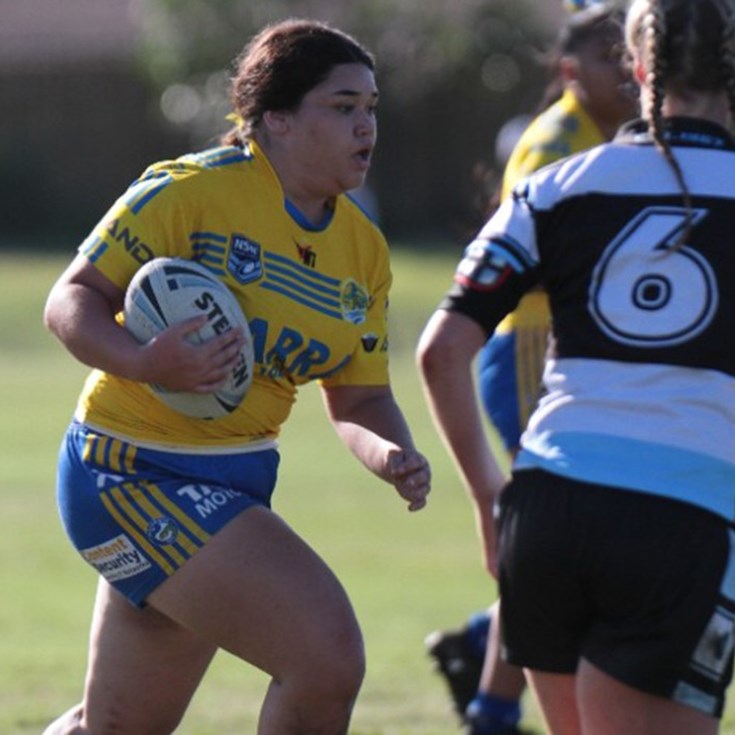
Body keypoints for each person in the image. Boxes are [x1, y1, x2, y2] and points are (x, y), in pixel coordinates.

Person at [42, 18, 431, 735]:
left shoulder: (363, 250)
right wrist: (142, 361)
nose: (366, 126)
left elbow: (360, 395)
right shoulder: (190, 192)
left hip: (237, 479)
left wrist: (390, 454)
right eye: (343, 106)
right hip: (130, 471)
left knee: (117, 726)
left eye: (371, 108)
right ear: (276, 118)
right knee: (326, 656)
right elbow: (69, 301)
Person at [418, 0, 735, 732]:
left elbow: (440, 349)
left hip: (545, 511)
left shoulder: (556, 184)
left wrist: (488, 498)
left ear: (638, 69)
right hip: (678, 519)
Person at [425, 4, 638, 734]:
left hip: (575, 353)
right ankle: (492, 703)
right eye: (608, 58)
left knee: (568, 539)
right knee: (555, 534)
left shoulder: (614, 138)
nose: (626, 71)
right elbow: (523, 261)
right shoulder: (554, 145)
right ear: (570, 72)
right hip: (530, 349)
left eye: (629, 53)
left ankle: (483, 650)